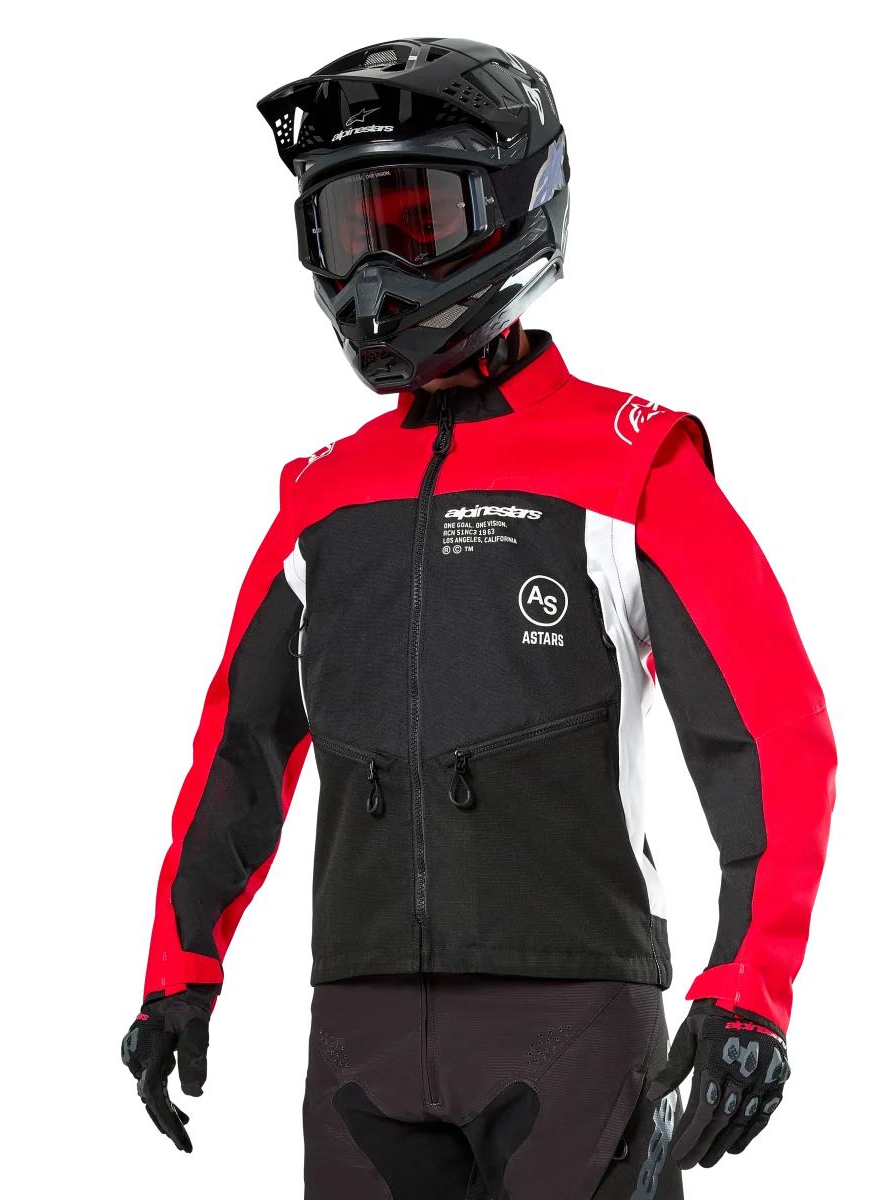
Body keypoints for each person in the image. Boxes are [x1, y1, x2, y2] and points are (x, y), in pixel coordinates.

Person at [120, 38, 838, 1198]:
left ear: (514, 207)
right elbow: (233, 753)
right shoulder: (320, 495)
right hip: (356, 1032)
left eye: (417, 220)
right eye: (348, 229)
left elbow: (771, 733)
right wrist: (177, 973)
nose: (375, 270)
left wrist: (751, 993)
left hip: (572, 1016)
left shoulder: (632, 463)